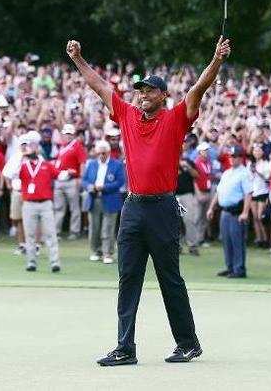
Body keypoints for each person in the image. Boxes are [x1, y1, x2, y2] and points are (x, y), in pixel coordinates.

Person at [68, 36, 231, 366]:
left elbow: (199, 87)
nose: (143, 96)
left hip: (162, 208)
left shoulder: (175, 119)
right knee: (128, 277)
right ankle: (125, 347)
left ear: (163, 96)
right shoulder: (127, 115)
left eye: (150, 91)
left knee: (170, 278)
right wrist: (78, 59)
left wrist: (216, 60)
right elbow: (100, 86)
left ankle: (188, 343)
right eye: (140, 91)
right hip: (133, 207)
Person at [18, 131, 62, 273]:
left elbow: (59, 175)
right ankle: (31, 262)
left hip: (45, 203)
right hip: (29, 203)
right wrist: (21, 154)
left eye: (34, 146)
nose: (32, 148)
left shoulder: (46, 165)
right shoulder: (23, 165)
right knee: (29, 235)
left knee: (50, 233)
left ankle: (55, 262)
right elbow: (9, 173)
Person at [207, 146, 253, 278]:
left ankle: (239, 269)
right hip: (224, 211)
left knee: (237, 240)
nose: (232, 159)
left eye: (234, 156)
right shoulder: (227, 173)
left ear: (240, 158)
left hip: (236, 212)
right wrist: (211, 207)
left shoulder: (244, 173)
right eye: (231, 156)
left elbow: (248, 194)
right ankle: (230, 267)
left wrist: (245, 212)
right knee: (226, 241)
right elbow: (219, 192)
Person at [82, 140, 125, 264]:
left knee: (108, 228)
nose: (101, 155)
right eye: (99, 153)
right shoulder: (91, 164)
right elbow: (84, 180)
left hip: (110, 199)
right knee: (94, 227)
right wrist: (90, 187)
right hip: (94, 198)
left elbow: (120, 182)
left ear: (109, 152)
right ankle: (96, 251)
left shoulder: (116, 164)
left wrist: (104, 187)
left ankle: (108, 253)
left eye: (104, 153)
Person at [53, 123, 87, 239]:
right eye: (65, 134)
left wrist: (80, 178)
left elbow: (82, 163)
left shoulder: (77, 146)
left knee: (74, 207)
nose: (67, 136)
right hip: (59, 179)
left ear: (73, 135)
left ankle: (74, 231)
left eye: (69, 134)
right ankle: (56, 231)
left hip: (72, 180)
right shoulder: (62, 146)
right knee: (58, 207)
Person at [177, 137, 201, 256]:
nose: (183, 145)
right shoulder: (169, 159)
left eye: (184, 143)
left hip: (187, 194)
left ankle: (192, 245)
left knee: (189, 220)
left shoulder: (189, 161)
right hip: (173, 195)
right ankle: (177, 246)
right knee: (174, 222)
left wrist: (188, 167)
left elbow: (197, 175)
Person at [248, 144, 271, 248]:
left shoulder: (266, 163)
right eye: (255, 151)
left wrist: (256, 171)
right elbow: (248, 177)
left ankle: (266, 238)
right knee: (255, 217)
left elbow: (267, 178)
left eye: (258, 151)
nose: (256, 152)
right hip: (253, 191)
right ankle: (259, 238)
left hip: (262, 191)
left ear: (262, 152)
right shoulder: (250, 164)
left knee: (260, 216)